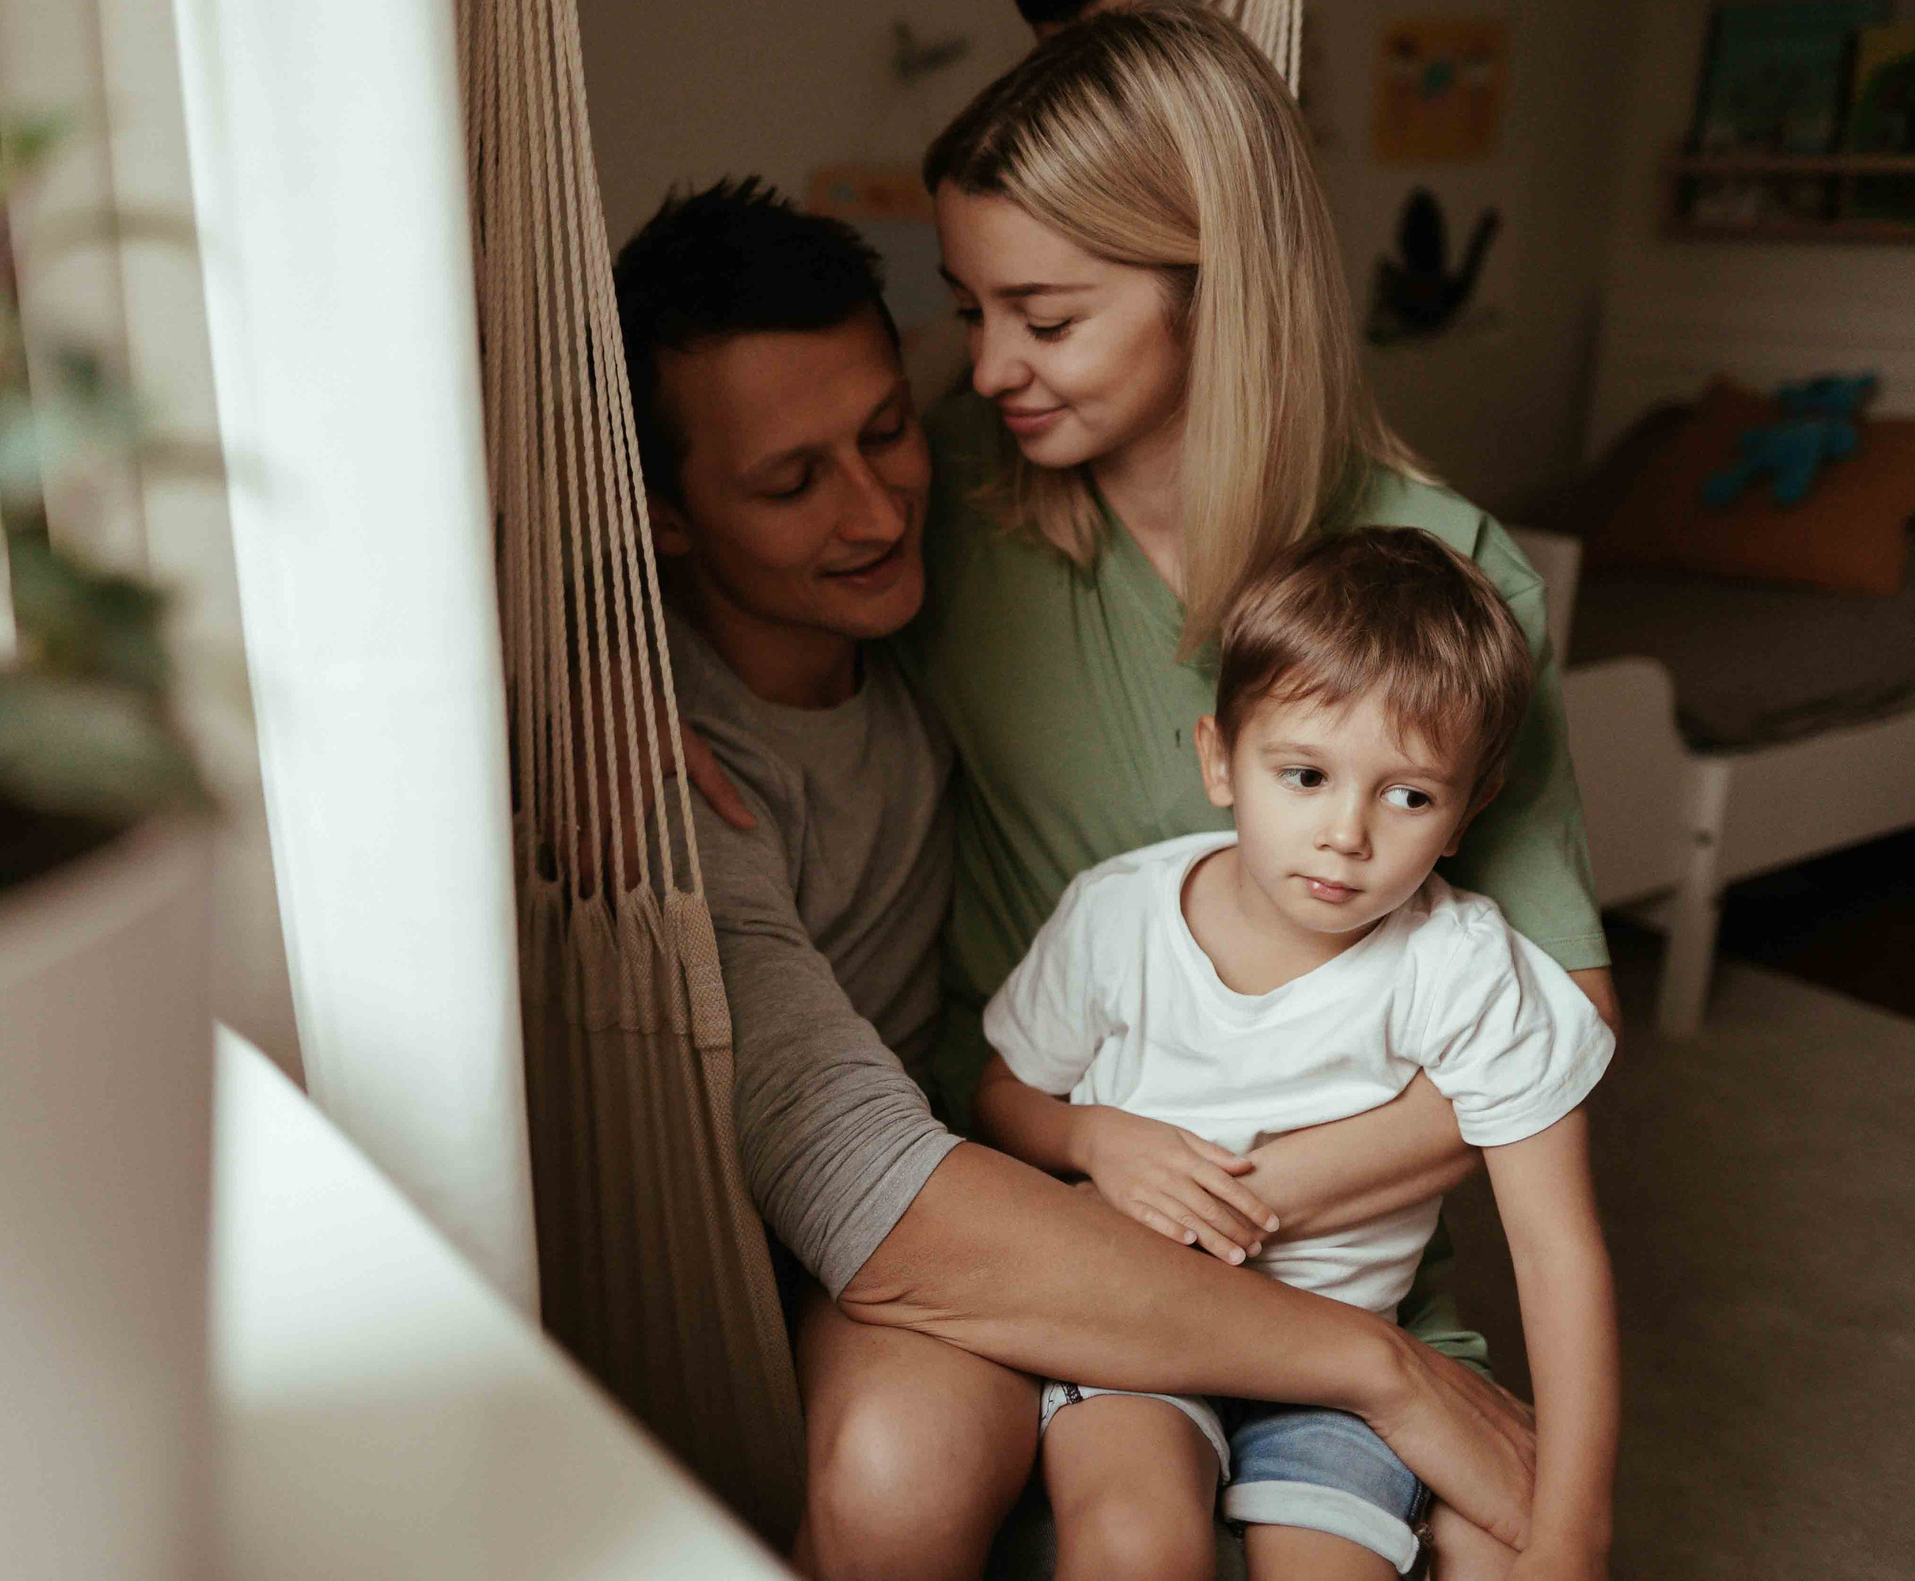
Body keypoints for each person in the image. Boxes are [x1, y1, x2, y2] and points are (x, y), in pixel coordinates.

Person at [616, 179, 1536, 1581]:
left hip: (997, 1160)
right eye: (793, 482)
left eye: (885, 436)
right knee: (894, 1477)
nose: (874, 512)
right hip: (831, 1215)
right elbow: (851, 1172)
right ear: (663, 522)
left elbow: (1094, 301)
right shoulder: (670, 782)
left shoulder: (943, 603)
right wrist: (1382, 1371)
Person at [980, 527, 1620, 1580]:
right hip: (1139, 1324)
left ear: (1466, 813)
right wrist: (1093, 1135)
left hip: (1333, 1362)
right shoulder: (1118, 917)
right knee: (1136, 1545)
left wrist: (1569, 1535)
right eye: (1306, 774)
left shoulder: (1462, 969)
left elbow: (1558, 1254)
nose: (1346, 834)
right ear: (1218, 759)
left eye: (1408, 794)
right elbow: (999, 1093)